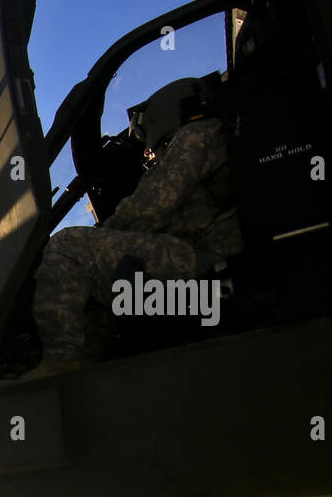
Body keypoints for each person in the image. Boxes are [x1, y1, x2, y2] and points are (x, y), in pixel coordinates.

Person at [24, 76, 245, 380]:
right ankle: (82, 373)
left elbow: (150, 207)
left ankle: (62, 360)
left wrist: (106, 234)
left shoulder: (196, 136)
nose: (148, 153)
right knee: (102, 291)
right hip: (203, 254)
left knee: (69, 247)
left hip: (206, 258)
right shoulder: (207, 137)